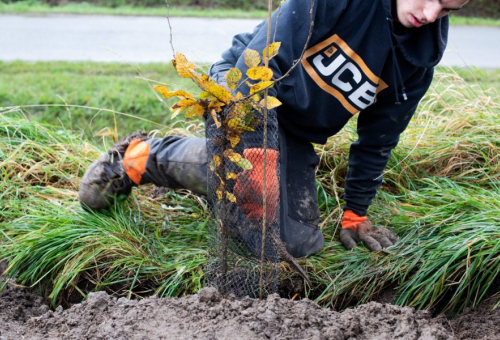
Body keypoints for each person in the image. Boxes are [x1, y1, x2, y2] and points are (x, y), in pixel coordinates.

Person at [79, 0, 470, 258]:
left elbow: (378, 139)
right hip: (242, 91)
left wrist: (356, 212)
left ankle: (231, 178)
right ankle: (141, 158)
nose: (431, 13)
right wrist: (256, 159)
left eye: (448, 8)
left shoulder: (417, 61)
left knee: (297, 244)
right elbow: (255, 65)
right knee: (254, 214)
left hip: (296, 132)